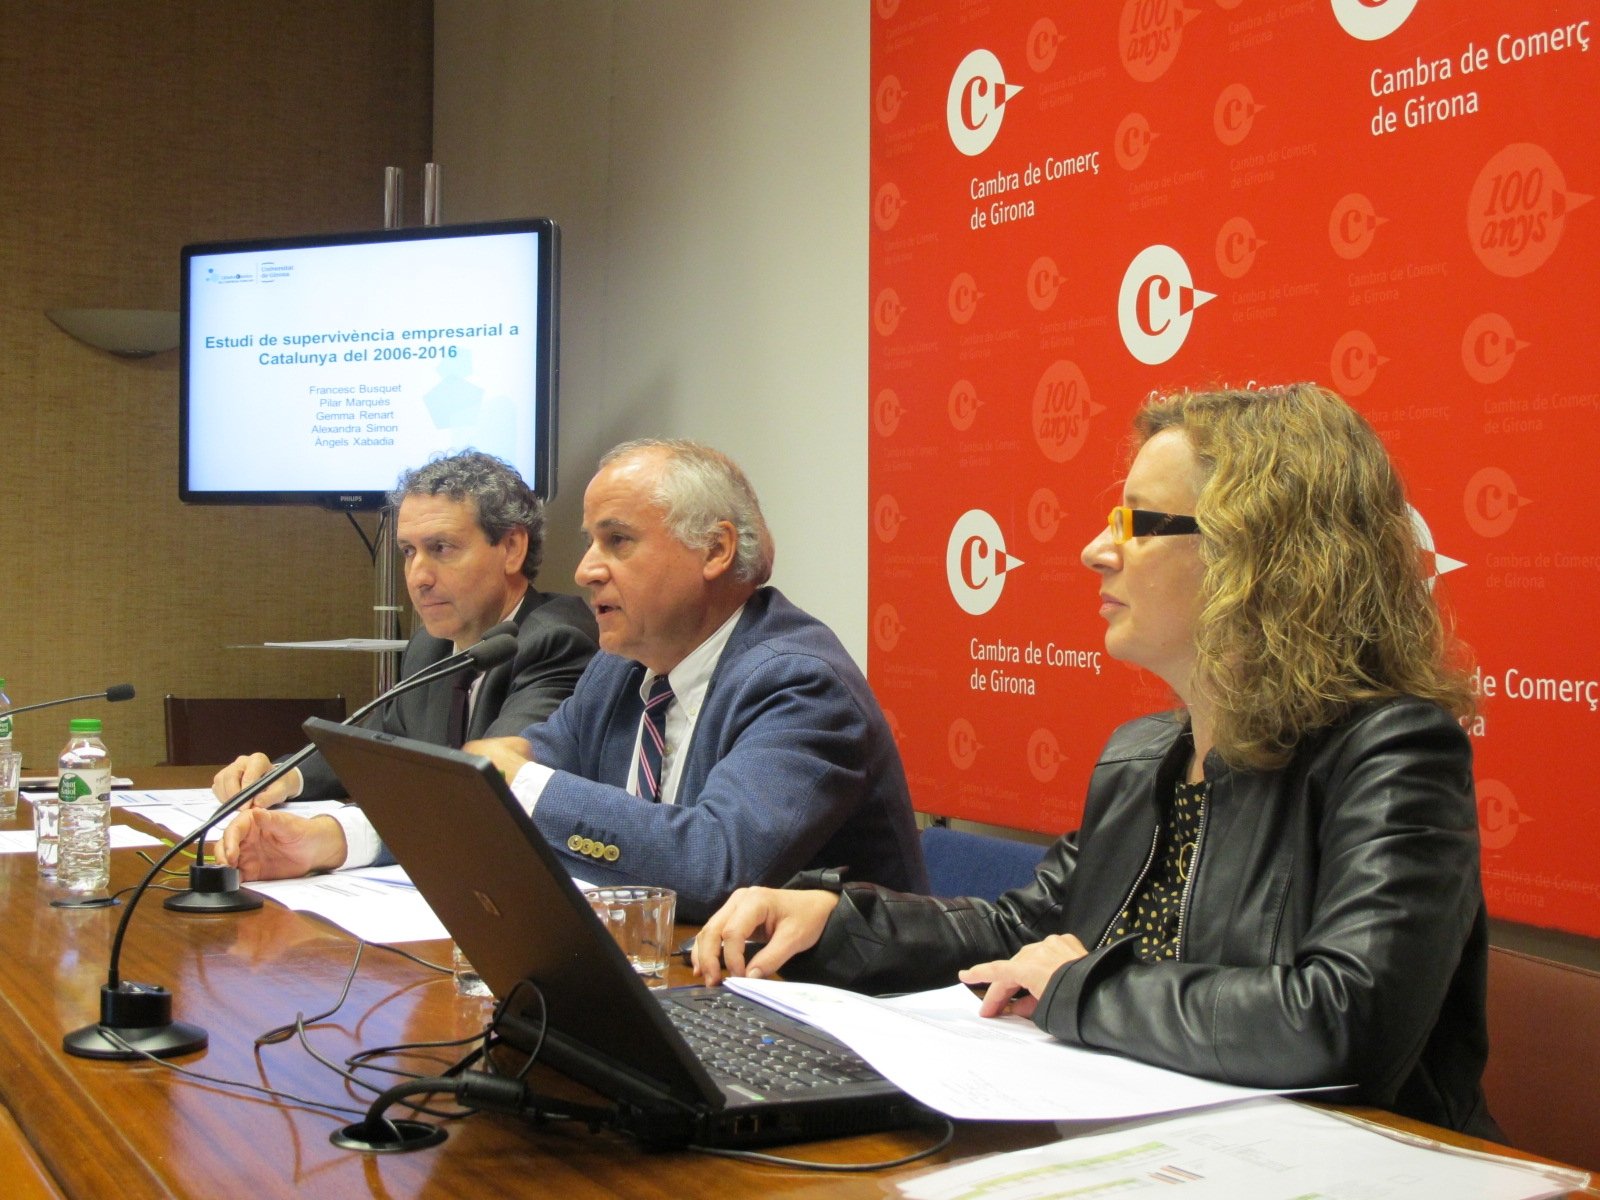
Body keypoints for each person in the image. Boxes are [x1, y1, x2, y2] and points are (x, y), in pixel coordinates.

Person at [694, 384, 1497, 1137]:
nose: (1093, 552)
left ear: (1263, 554)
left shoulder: (1393, 750)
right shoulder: (1143, 756)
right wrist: (840, 924)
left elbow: (1346, 1019)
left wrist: (1081, 987)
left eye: (1138, 525)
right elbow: (1028, 930)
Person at [224, 438, 927, 921]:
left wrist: (520, 781)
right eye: (591, 541)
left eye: (617, 541)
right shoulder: (622, 672)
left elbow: (716, 866)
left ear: (713, 550)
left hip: (829, 1024)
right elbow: (487, 794)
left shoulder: (798, 684)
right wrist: (331, 840)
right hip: (674, 985)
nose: (587, 568)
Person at [216, 451, 598, 867]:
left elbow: (480, 792)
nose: (418, 576)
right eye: (408, 551)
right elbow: (376, 748)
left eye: (441, 548)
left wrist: (330, 836)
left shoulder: (557, 641)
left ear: (511, 547)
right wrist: (281, 776)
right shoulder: (430, 646)